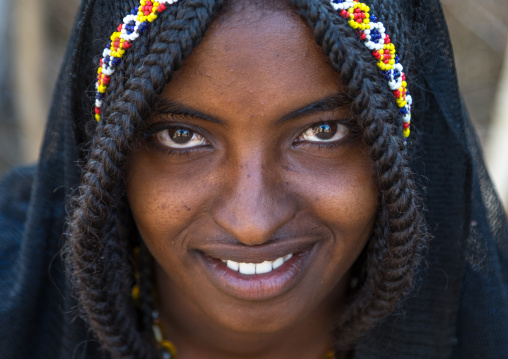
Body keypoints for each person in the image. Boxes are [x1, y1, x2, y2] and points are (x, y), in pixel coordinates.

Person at [0, 0, 507, 358]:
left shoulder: (484, 323)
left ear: (397, 148)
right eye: (180, 136)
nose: (252, 222)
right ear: (110, 155)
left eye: (322, 131)